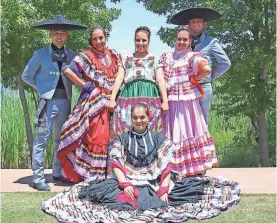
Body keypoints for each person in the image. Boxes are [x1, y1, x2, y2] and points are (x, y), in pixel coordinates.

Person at [42, 103, 240, 222]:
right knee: (109, 199)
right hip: (128, 181)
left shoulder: (158, 139)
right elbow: (116, 164)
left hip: (153, 182)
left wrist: (163, 189)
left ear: (149, 118)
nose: (139, 121)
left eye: (142, 117)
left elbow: (166, 167)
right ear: (130, 120)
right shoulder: (122, 139)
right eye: (135, 118)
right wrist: (125, 183)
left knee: (156, 201)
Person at [22, 15, 87, 191]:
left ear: (67, 36)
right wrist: (42, 88)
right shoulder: (40, 54)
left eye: (63, 33)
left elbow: (79, 76)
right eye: (56, 33)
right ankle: (38, 178)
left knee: (61, 139)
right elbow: (26, 77)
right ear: (50, 34)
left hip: (65, 102)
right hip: (46, 103)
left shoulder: (73, 56)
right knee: (41, 139)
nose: (59, 36)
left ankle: (58, 173)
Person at [57, 26, 120, 183]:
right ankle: (90, 176)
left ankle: (107, 175)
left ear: (106, 38)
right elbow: (68, 71)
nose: (99, 41)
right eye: (95, 39)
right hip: (94, 103)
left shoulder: (114, 55)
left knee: (110, 139)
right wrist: (85, 85)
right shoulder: (87, 56)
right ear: (90, 41)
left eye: (101, 38)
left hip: (112, 102)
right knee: (95, 137)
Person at [159, 27, 218, 180]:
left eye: (185, 39)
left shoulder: (192, 57)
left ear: (190, 41)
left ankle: (191, 168)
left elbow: (206, 68)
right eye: (179, 39)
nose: (181, 42)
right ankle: (173, 167)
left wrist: (195, 79)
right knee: (172, 133)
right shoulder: (167, 56)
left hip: (188, 103)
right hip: (171, 102)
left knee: (186, 132)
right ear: (175, 40)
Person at [171, 7, 231, 125]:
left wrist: (209, 77)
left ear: (204, 23)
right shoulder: (182, 41)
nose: (196, 24)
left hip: (202, 87)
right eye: (193, 21)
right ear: (188, 24)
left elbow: (225, 63)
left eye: (199, 21)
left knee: (202, 122)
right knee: (185, 122)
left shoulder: (211, 42)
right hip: (184, 88)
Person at [108, 26, 168, 135]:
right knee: (127, 124)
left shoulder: (155, 59)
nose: (141, 43)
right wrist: (112, 99)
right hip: (128, 95)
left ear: (149, 41)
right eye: (138, 40)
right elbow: (120, 78)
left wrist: (165, 101)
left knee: (150, 126)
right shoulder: (126, 58)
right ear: (134, 40)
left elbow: (160, 80)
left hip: (150, 96)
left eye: (144, 40)